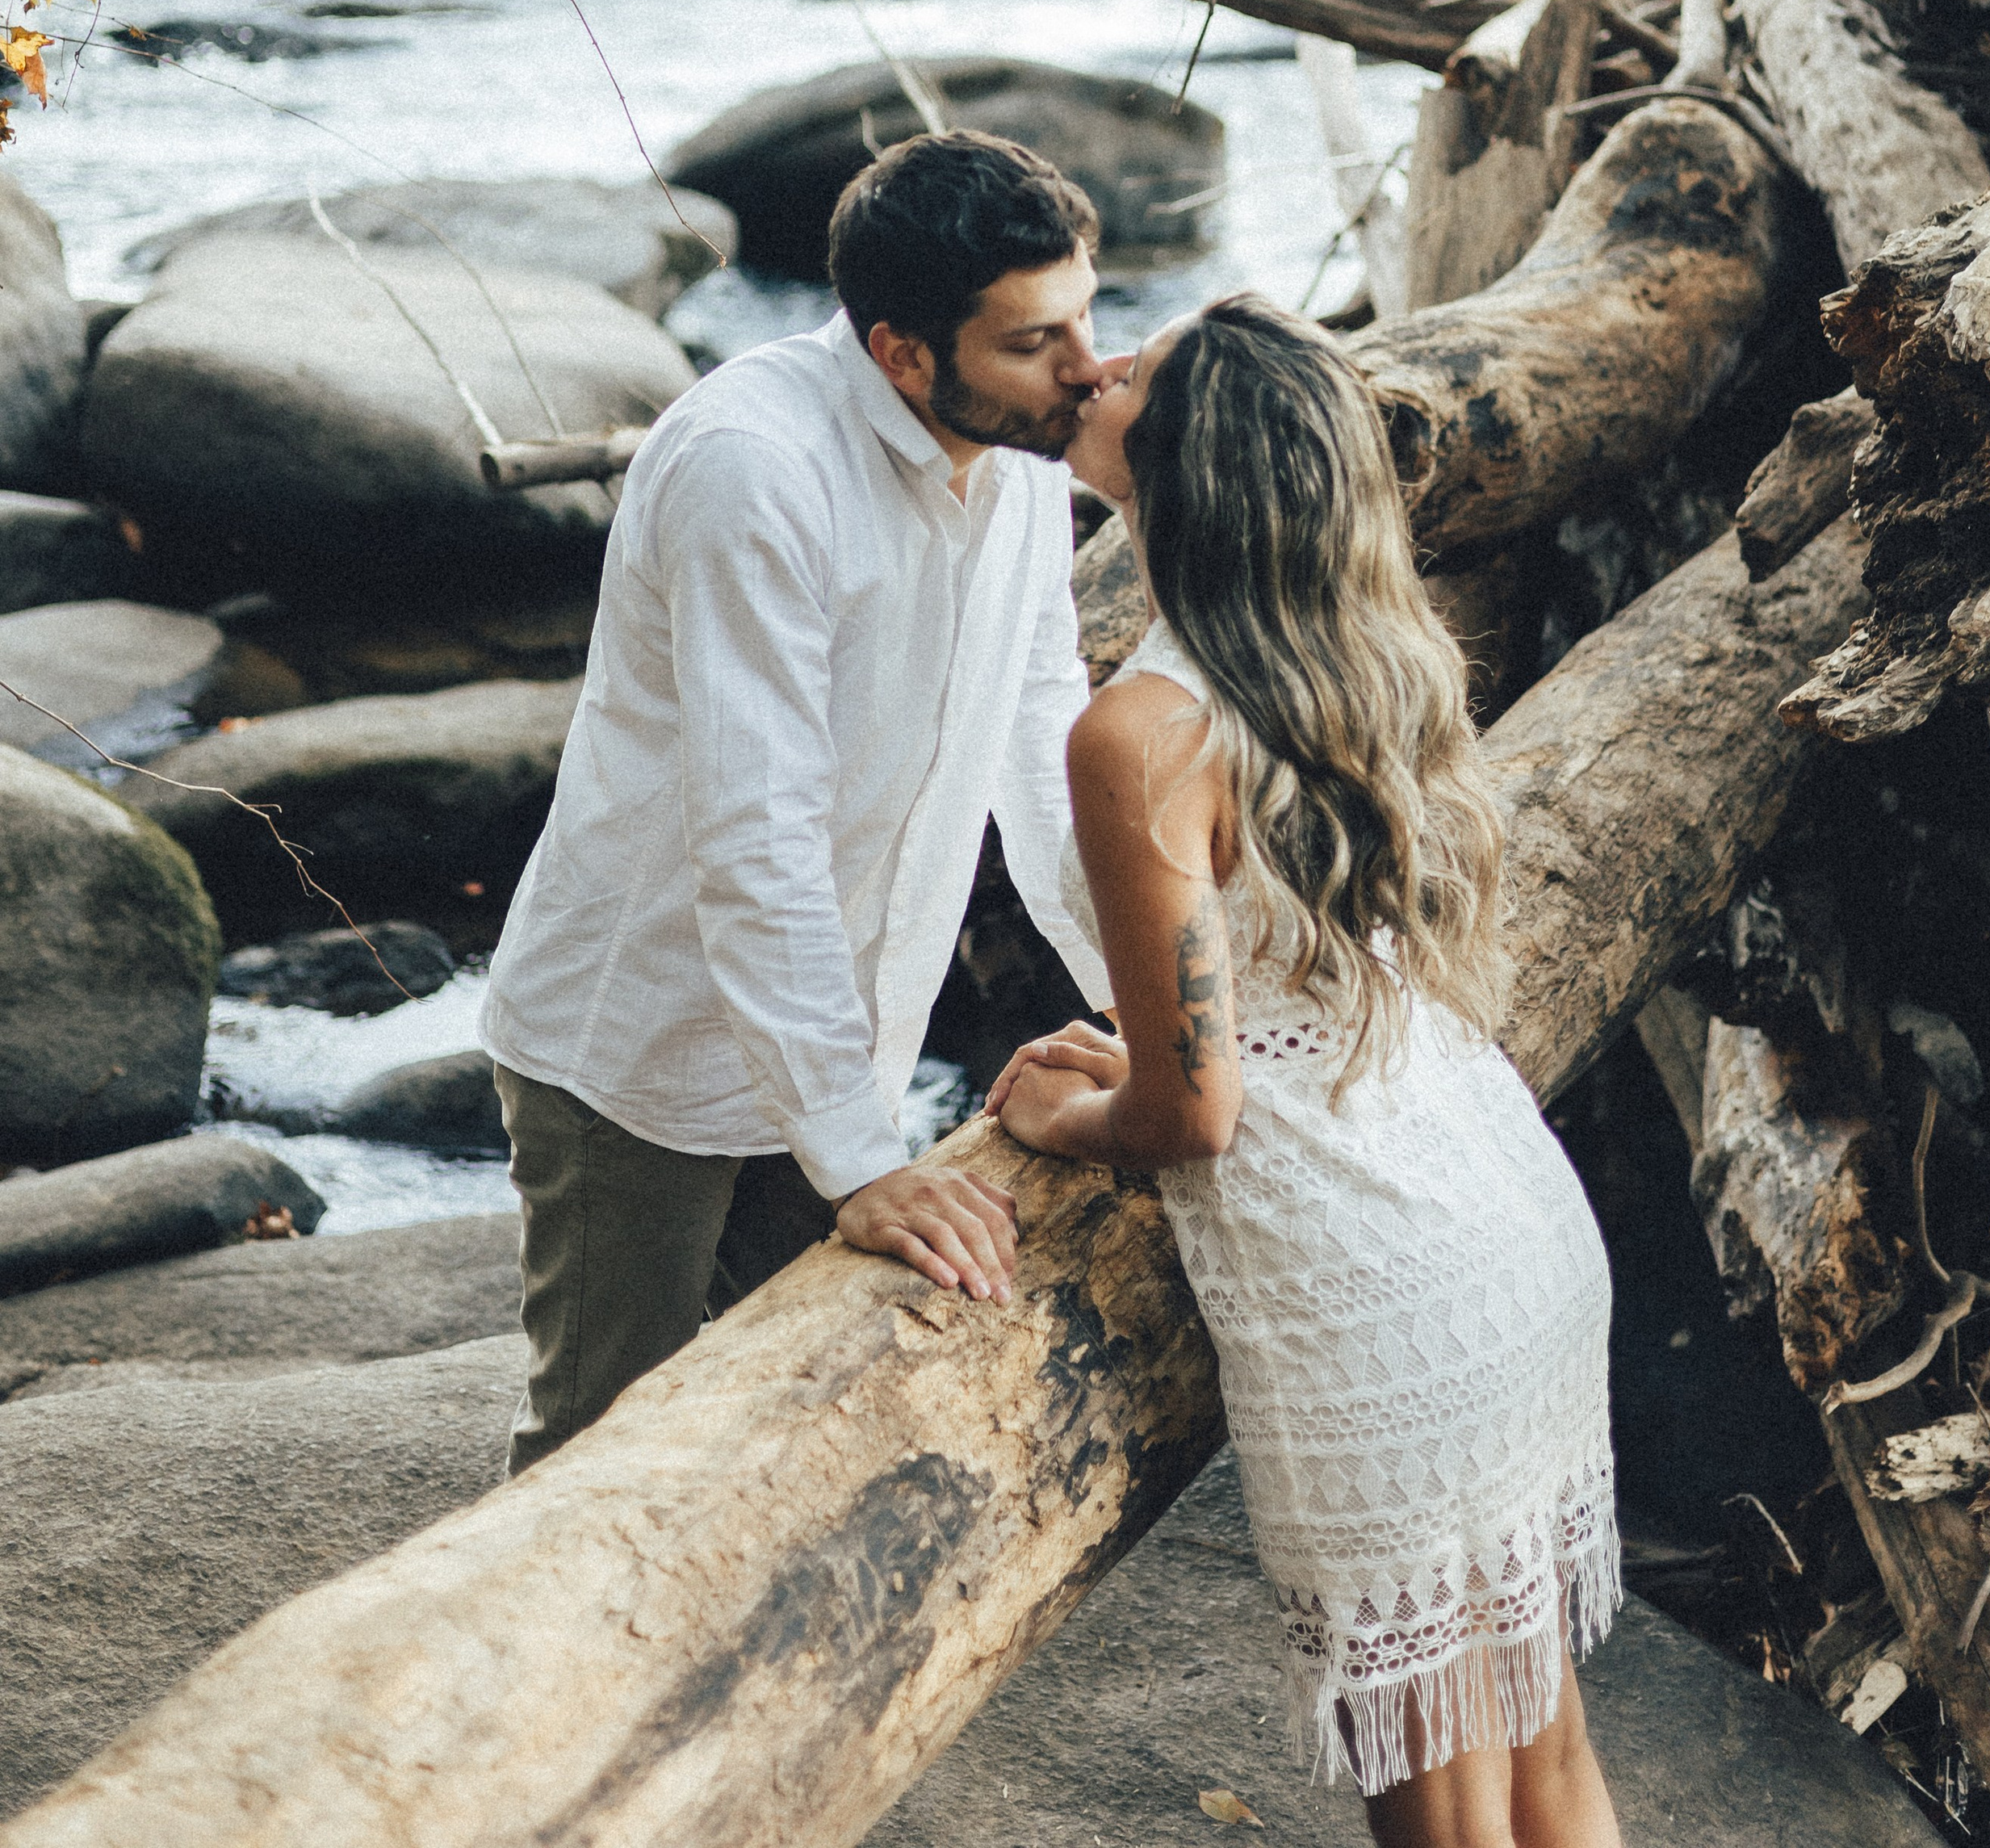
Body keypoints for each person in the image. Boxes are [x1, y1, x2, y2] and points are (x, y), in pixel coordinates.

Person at [988, 295, 1622, 1848]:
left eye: (1139, 369)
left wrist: (1061, 1111)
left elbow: (1193, 1110)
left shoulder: (1140, 730)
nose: (1101, 362)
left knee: (1448, 1819)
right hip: (1504, 1221)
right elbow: (1276, 984)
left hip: (1367, 1288)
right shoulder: (1357, 655)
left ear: (1189, 467)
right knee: (1543, 1769)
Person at [481, 128, 1115, 1472]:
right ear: (901, 352)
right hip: (642, 1055)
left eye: (1086, 318)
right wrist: (863, 1160)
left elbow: (1050, 746)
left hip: (846, 1044)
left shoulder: (1020, 470)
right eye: (1032, 340)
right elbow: (755, 836)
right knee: (604, 1459)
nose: (1088, 370)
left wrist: (1142, 1005)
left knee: (802, 1434)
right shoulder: (750, 466)